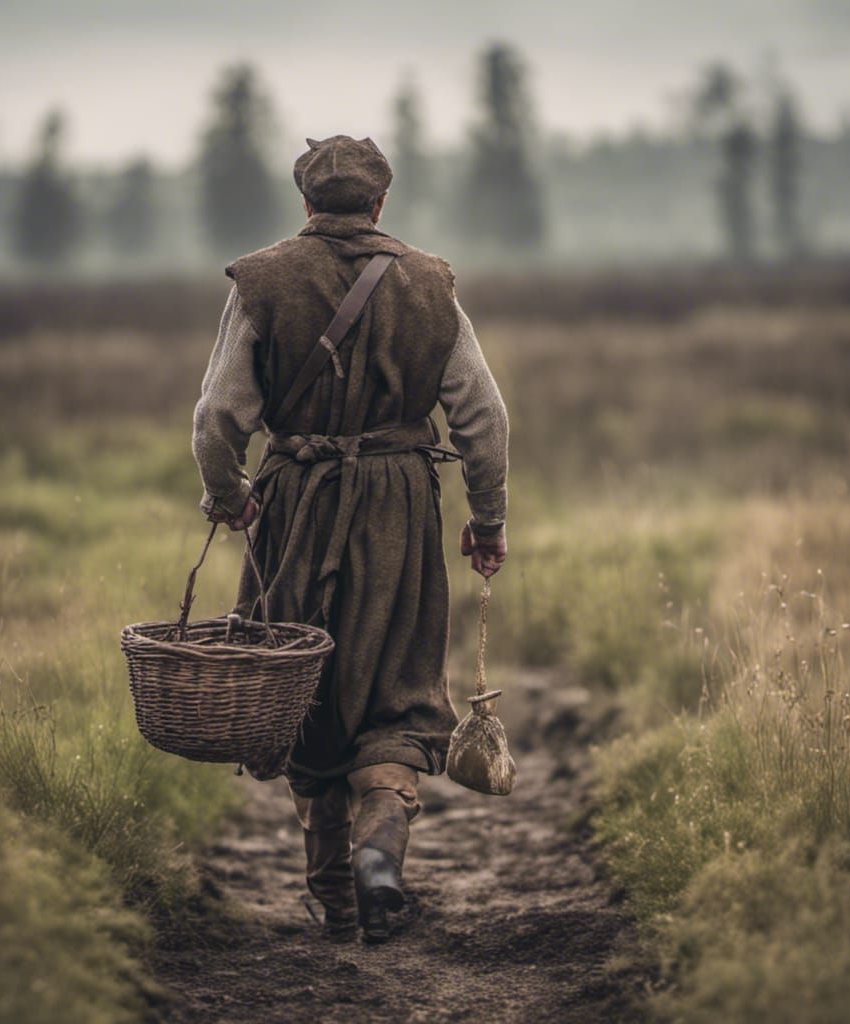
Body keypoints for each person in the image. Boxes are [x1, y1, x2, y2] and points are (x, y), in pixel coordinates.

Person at [192, 135, 508, 944]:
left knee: (303, 695)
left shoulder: (260, 279)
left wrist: (228, 495)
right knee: (396, 695)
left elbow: (215, 419)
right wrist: (488, 520)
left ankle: (335, 896)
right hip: (400, 507)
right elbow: (484, 421)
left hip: (294, 505)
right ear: (380, 203)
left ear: (305, 204)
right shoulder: (432, 282)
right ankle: (379, 861)